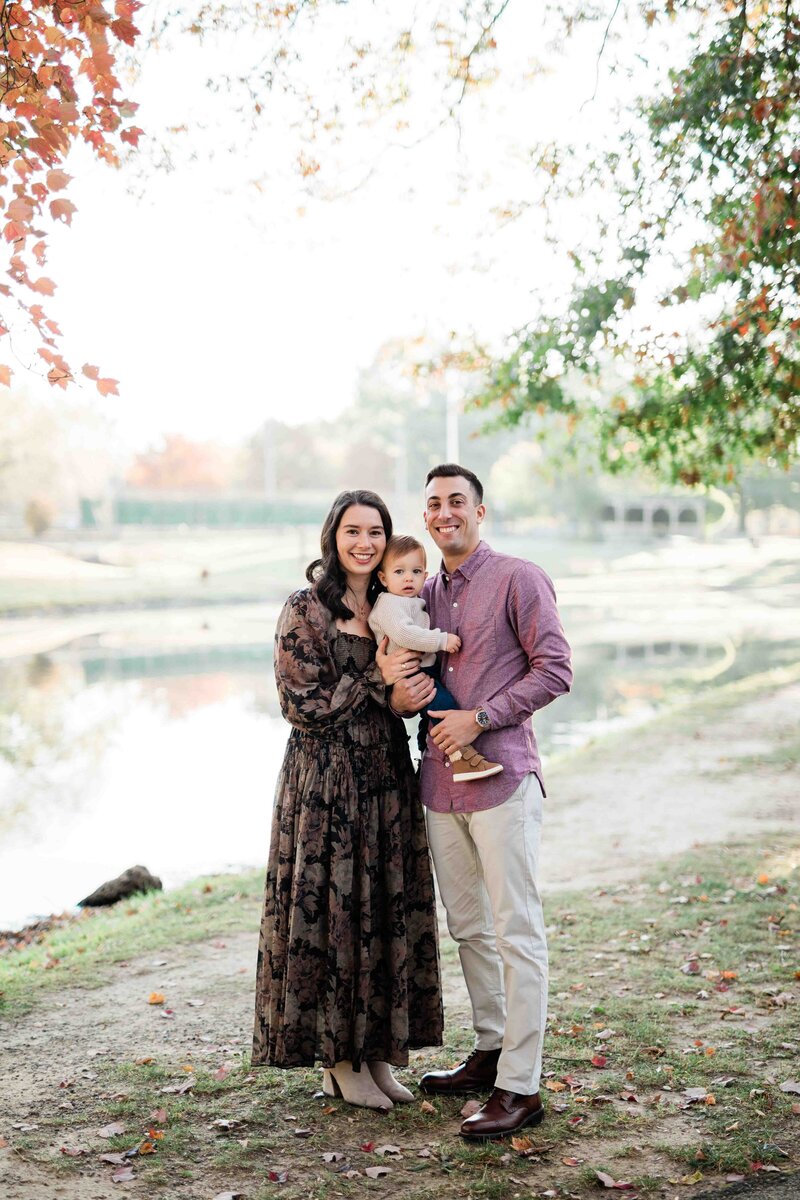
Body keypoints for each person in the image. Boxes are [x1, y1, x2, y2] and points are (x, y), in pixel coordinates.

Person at [377, 464, 572, 1140]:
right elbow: (408, 680)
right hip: (439, 786)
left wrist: (482, 718)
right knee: (468, 927)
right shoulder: (420, 594)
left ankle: (521, 1085)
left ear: (479, 512)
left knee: (516, 929)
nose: (444, 513)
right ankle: (491, 1049)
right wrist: (399, 697)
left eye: (456, 501)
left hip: (503, 780)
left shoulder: (519, 578)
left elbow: (556, 669)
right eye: (433, 503)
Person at [252, 489, 444, 1110]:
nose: (364, 543)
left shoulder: (393, 604)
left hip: (385, 774)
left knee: (383, 910)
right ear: (333, 536)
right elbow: (301, 704)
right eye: (353, 531)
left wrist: (403, 697)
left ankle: (376, 1056)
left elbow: (397, 693)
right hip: (325, 784)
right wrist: (375, 679)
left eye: (375, 532)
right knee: (336, 915)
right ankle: (338, 1061)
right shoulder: (304, 608)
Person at [368, 533, 503, 782]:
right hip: (410, 672)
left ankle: (428, 751)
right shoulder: (388, 603)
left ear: (425, 576)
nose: (408, 578)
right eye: (399, 572)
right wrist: (442, 640)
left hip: (422, 669)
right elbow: (405, 634)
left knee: (431, 716)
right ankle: (463, 759)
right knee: (444, 707)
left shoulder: (413, 601)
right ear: (383, 578)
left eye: (416, 571)